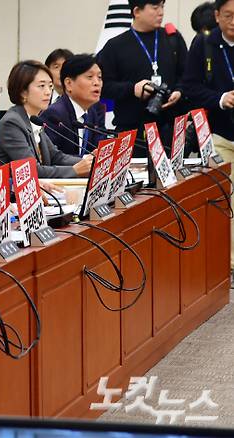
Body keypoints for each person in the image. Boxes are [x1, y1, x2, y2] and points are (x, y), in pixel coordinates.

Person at [183, 0, 234, 282]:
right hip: (220, 133)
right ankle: (228, 264)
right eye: (228, 16)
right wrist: (221, 99)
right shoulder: (204, 45)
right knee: (226, 199)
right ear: (216, 16)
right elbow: (190, 86)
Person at [97, 0, 187, 156]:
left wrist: (179, 91)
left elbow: (187, 75)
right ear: (137, 11)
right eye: (155, 7)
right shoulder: (115, 46)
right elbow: (102, 87)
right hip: (132, 130)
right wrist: (133, 89)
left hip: (170, 127)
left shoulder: (172, 39)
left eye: (162, 7)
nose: (161, 12)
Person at [0, 61, 93, 179]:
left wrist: (89, 161)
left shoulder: (33, 119)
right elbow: (33, 170)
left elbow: (56, 157)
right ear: (23, 91)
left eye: (50, 86)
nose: (48, 92)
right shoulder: (12, 123)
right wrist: (75, 170)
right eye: (41, 86)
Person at [40, 54, 106, 156]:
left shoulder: (93, 111)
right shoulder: (55, 114)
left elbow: (99, 147)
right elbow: (52, 159)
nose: (97, 83)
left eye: (100, 77)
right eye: (90, 77)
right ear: (69, 83)